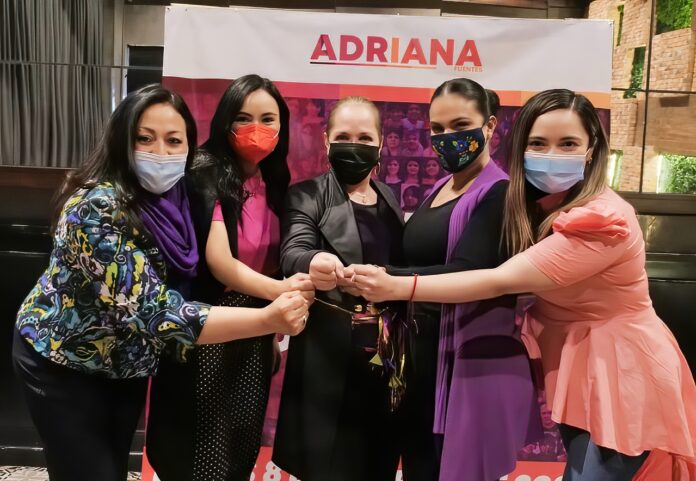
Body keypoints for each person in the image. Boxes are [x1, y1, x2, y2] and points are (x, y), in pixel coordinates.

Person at [350, 89, 696, 481]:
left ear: (591, 150)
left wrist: (396, 286)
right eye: (538, 143)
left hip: (621, 373)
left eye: (568, 144)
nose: (552, 154)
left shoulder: (602, 221)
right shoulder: (537, 206)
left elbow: (498, 279)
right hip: (578, 368)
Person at [11, 84, 309, 481]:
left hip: (127, 360)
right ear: (121, 140)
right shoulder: (95, 210)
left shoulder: (176, 196)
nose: (161, 153)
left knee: (112, 465)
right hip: (66, 361)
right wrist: (268, 320)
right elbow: (158, 313)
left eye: (173, 140)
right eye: (145, 139)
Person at [353, 78, 540, 481]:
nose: (446, 138)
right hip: (418, 366)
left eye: (460, 126)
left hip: (459, 375)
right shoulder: (440, 188)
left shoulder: (500, 194)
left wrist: (389, 279)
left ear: (490, 126)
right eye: (437, 128)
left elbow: (469, 271)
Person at [273, 96, 405, 481]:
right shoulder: (306, 194)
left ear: (381, 144)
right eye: (344, 136)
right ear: (326, 140)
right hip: (328, 356)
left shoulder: (389, 197)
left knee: (378, 461)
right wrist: (315, 261)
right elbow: (294, 250)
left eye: (365, 138)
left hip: (386, 356)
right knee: (327, 465)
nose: (354, 145)